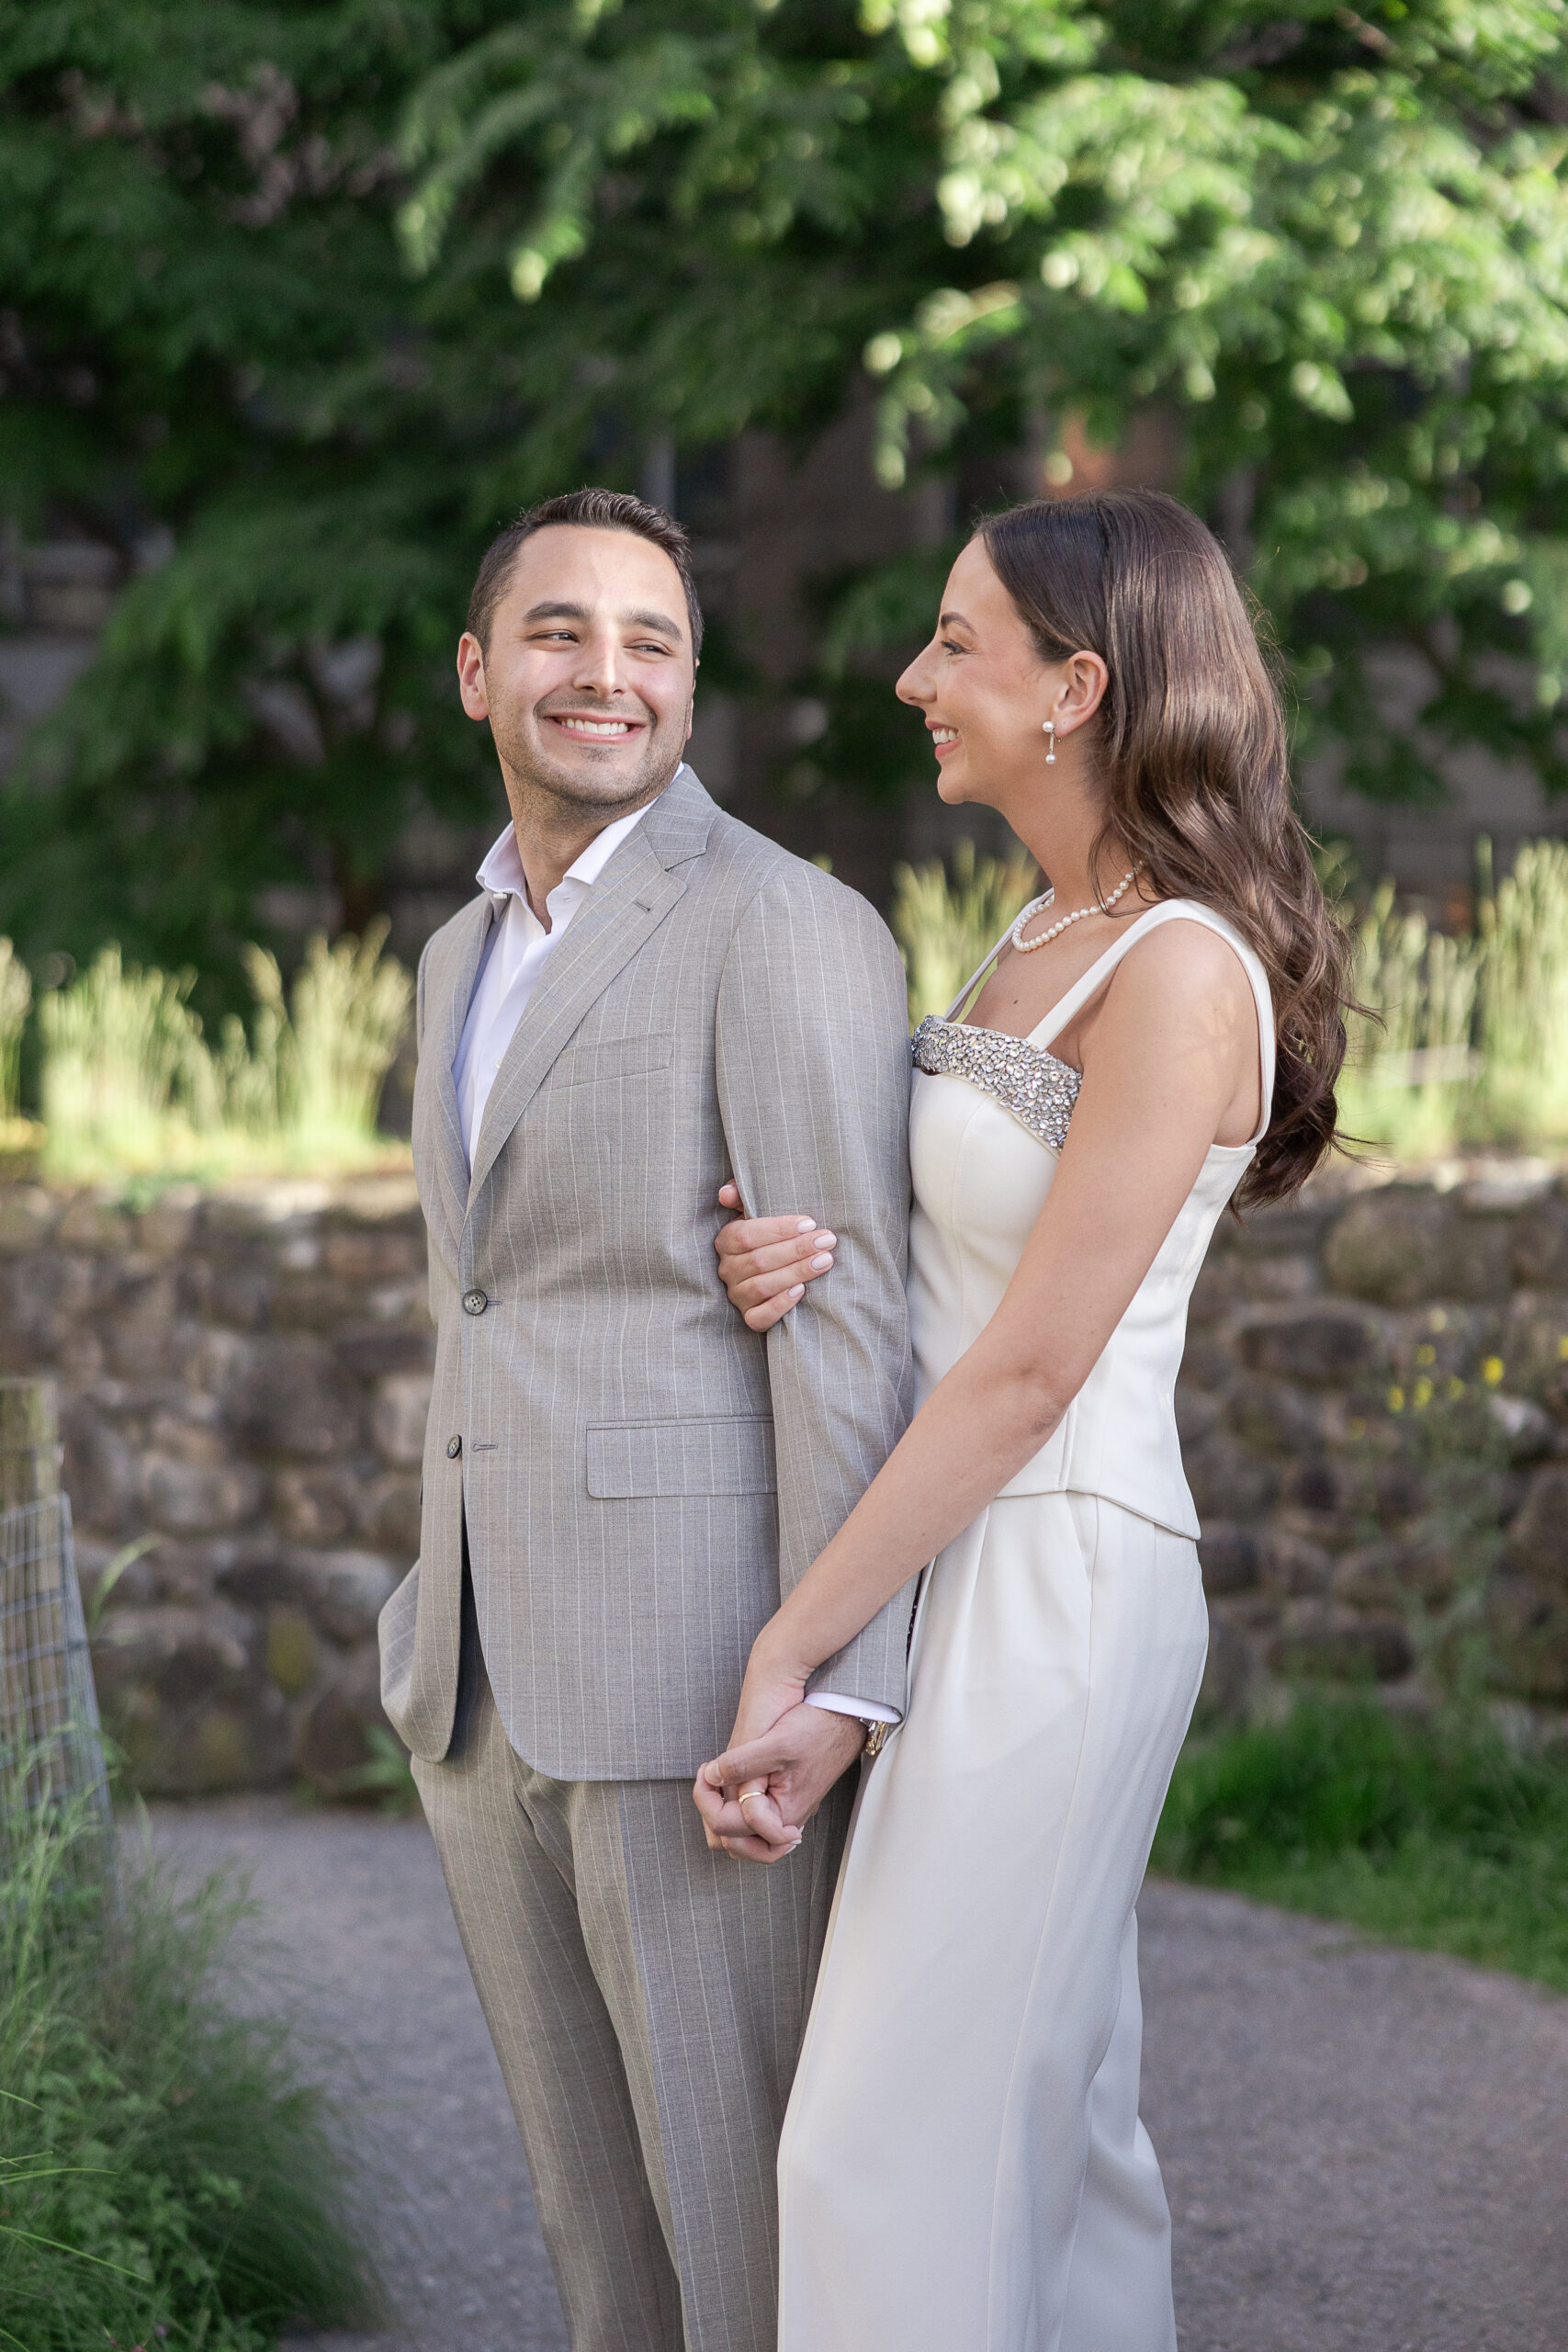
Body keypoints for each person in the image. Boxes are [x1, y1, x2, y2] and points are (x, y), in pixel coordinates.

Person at [695, 488, 1350, 2350]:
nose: (915, 678)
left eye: (953, 644)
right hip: (962, 1551)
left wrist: (797, 1635)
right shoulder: (1029, 933)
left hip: (1057, 1571)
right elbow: (949, 1288)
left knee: (880, 2156)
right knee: (1054, 2147)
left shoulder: (1183, 972)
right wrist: (793, 1256)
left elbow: (1026, 1365)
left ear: (1075, 686)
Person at [378, 487, 919, 2352]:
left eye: (649, 640)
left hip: (701, 1683)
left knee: (741, 2230)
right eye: (556, 633)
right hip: (473, 1678)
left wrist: (831, 1685)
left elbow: (846, 1335)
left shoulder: (780, 920)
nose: (603, 673)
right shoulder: (458, 957)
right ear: (475, 672)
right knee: (596, 2247)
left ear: (692, 682)